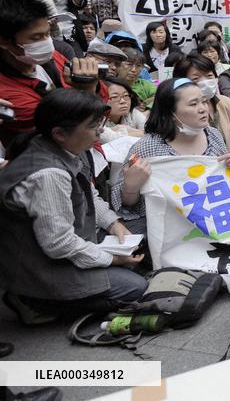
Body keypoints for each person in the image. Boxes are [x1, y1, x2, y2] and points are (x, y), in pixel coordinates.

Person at [0, 89, 146, 325]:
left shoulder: (62, 146)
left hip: (56, 244)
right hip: (38, 264)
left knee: (138, 246)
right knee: (134, 288)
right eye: (92, 126)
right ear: (59, 133)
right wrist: (112, 260)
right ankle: (33, 301)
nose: (99, 131)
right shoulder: (49, 173)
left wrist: (114, 224)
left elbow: (88, 196)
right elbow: (58, 244)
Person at [112, 79, 230, 234]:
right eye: (193, 104)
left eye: (204, 102)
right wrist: (131, 187)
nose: (203, 109)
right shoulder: (147, 148)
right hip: (170, 232)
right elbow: (126, 206)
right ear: (170, 112)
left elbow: (228, 183)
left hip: (216, 224)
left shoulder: (214, 135)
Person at [0, 0, 101, 148]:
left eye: (47, 33)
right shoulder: (6, 92)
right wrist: (87, 90)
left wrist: (92, 85)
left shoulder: (52, 57)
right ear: (4, 41)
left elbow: (103, 101)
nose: (46, 43)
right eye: (36, 37)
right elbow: (67, 133)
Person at [172, 55, 230, 154]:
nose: (205, 82)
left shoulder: (225, 102)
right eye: (196, 78)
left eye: (209, 76)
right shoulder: (177, 109)